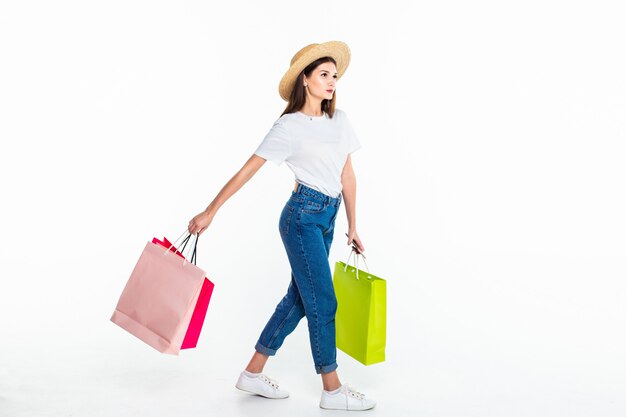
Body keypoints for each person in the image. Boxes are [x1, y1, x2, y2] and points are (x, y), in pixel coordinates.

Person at [187, 40, 376, 411]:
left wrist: (353, 226)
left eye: (334, 75)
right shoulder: (288, 127)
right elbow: (247, 171)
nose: (331, 81)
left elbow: (348, 175)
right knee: (323, 300)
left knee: (299, 300)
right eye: (323, 74)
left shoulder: (340, 121)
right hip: (301, 217)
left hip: (328, 216)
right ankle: (332, 390)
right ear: (304, 80)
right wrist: (211, 211)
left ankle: (252, 373)